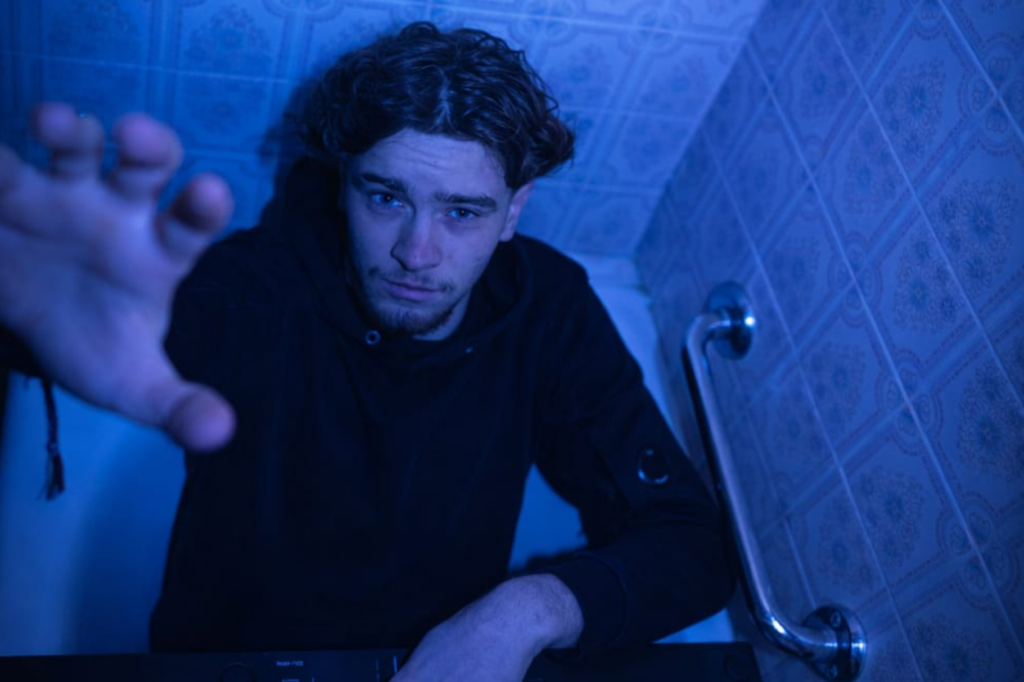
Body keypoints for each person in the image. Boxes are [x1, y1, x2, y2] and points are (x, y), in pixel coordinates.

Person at [0, 21, 733, 681]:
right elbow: (90, 332)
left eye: (462, 211)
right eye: (385, 197)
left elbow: (692, 544)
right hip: (227, 657)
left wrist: (526, 613)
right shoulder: (251, 288)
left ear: (514, 210)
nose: (417, 251)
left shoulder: (547, 312)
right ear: (344, 183)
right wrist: (29, 322)